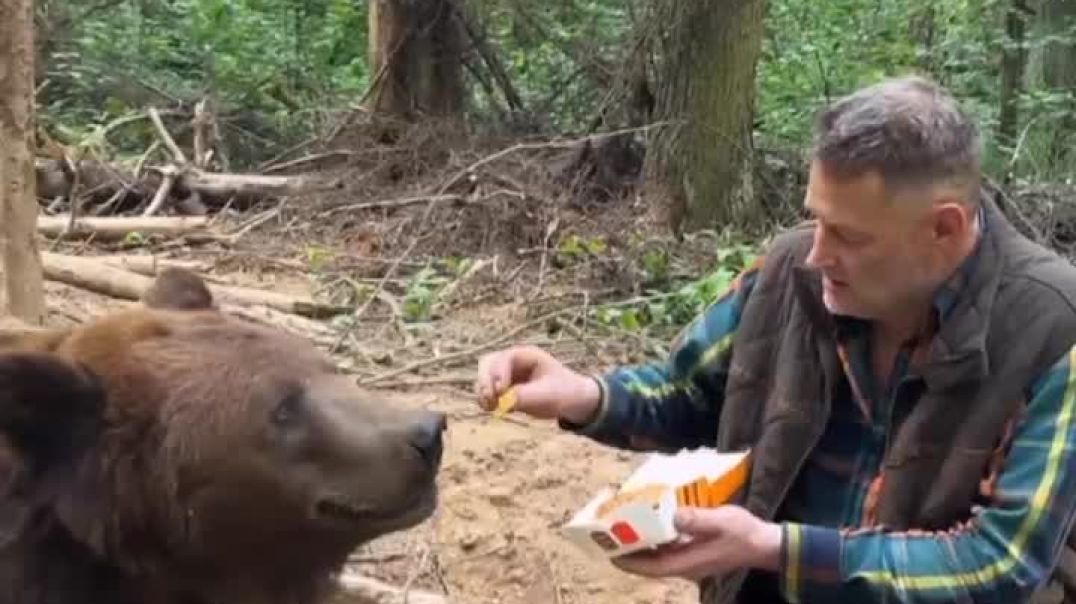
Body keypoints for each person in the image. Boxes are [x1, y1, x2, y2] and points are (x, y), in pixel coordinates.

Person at [474, 75, 1076, 604]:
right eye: (815, 218)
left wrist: (772, 548)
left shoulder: (1053, 328)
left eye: (848, 236)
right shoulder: (790, 275)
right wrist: (584, 395)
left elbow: (999, 566)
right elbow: (689, 391)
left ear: (944, 228)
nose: (817, 253)